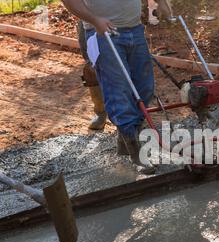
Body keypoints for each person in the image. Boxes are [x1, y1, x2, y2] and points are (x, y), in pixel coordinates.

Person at [63, 0, 160, 174]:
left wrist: (162, 4)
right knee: (118, 89)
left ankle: (126, 139)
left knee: (145, 89)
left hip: (135, 29)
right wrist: (94, 19)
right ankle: (134, 151)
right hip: (102, 31)